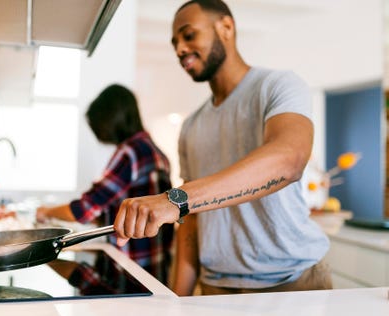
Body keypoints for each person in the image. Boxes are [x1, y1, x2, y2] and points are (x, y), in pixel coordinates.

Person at [113, 0, 332, 296]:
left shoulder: (278, 86)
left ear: (226, 27)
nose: (179, 49)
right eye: (174, 42)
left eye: (189, 35)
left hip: (292, 281)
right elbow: (191, 220)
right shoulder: (191, 126)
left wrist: (175, 198)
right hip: (217, 285)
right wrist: (175, 301)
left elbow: (289, 159)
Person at [36, 84, 174, 285]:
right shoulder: (155, 152)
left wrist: (45, 212)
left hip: (130, 271)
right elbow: (124, 213)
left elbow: (84, 210)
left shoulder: (131, 153)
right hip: (154, 269)